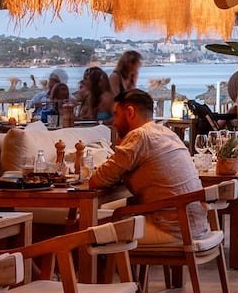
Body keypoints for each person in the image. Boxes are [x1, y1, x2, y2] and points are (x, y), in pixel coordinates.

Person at [89, 89, 208, 245]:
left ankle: (93, 269)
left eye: (117, 114)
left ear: (130, 112)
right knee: (109, 219)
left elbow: (96, 181)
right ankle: (119, 269)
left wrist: (119, 144)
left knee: (89, 231)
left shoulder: (139, 136)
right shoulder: (167, 133)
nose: (114, 122)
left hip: (171, 229)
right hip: (196, 226)